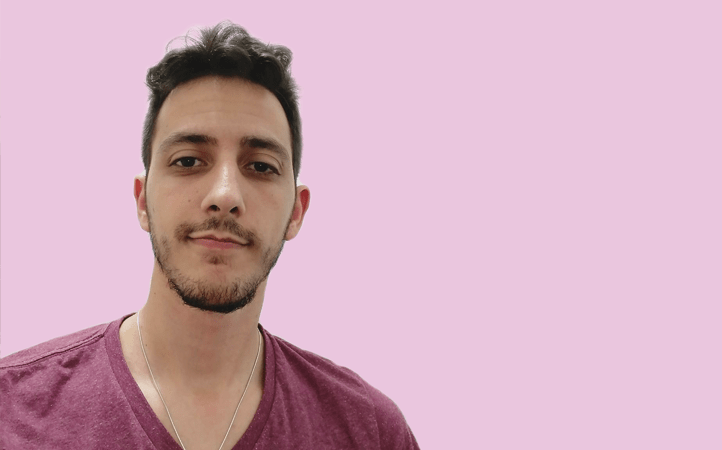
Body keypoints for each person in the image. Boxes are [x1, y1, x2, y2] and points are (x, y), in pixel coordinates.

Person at [0, 22, 419, 450]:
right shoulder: (10, 410)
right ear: (143, 201)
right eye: (188, 161)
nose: (224, 195)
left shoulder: (370, 432)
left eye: (260, 166)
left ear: (296, 211)